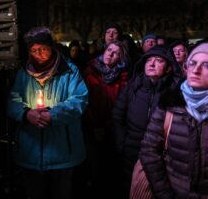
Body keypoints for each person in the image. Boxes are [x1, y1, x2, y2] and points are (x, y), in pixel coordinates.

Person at [7, 26, 88, 199]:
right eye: (34, 50)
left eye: (43, 49)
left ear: (52, 48)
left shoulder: (69, 71)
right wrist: (27, 114)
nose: (39, 54)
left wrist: (53, 114)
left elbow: (79, 100)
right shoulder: (24, 72)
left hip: (63, 151)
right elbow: (13, 99)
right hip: (31, 149)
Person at [140, 42, 208, 198]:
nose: (196, 69)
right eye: (193, 63)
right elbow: (149, 151)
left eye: (206, 64)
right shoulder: (170, 103)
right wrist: (165, 193)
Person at [112, 45, 182, 199]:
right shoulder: (133, 87)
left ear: (169, 68)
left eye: (158, 61)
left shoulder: (174, 92)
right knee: (132, 188)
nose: (151, 64)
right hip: (131, 150)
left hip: (161, 155)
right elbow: (118, 116)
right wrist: (121, 143)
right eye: (148, 60)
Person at [82, 40, 129, 198]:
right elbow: (85, 101)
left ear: (121, 58)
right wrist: (95, 126)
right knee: (95, 166)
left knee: (112, 168)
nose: (111, 54)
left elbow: (123, 104)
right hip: (93, 126)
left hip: (114, 128)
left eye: (116, 53)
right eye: (109, 50)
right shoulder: (90, 72)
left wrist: (112, 124)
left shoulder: (123, 76)